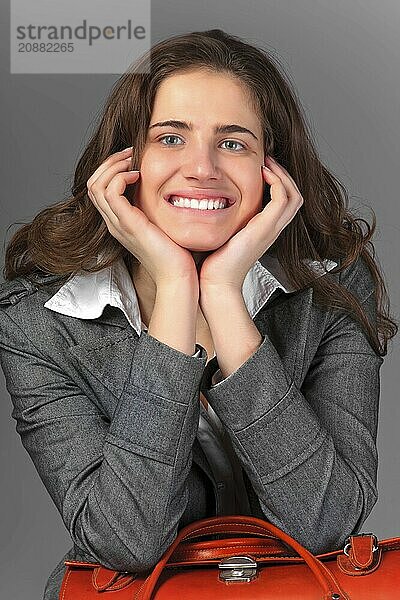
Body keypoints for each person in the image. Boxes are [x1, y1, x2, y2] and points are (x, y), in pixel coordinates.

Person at [0, 29, 397, 600]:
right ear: (124, 162)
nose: (202, 167)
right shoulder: (39, 320)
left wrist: (225, 298)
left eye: (233, 143)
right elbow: (125, 541)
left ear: (273, 168)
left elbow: (326, 521)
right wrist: (175, 289)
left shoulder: (332, 288)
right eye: (170, 138)